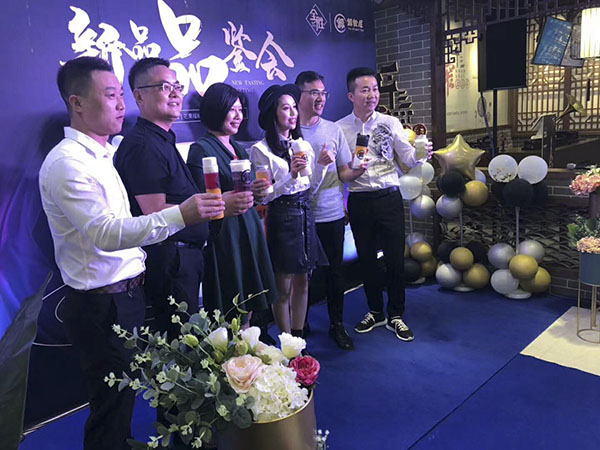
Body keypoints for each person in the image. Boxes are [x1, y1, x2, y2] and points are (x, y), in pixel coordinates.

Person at [39, 56, 224, 450]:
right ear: (77, 102)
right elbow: (106, 233)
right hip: (99, 304)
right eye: (111, 95)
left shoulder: (105, 153)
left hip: (127, 295)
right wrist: (182, 214)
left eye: (120, 94)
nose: (121, 104)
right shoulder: (67, 164)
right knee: (112, 408)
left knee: (125, 399)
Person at [114, 58, 253, 338]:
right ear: (139, 96)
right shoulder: (143, 145)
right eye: (165, 87)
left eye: (178, 87)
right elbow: (154, 213)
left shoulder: (161, 138)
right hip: (169, 260)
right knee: (181, 344)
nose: (176, 94)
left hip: (184, 258)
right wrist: (218, 205)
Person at [336, 67, 426, 342]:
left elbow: (407, 158)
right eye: (365, 90)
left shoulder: (390, 122)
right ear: (351, 95)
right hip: (359, 199)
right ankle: (375, 311)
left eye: (374, 89)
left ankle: (396, 314)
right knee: (366, 260)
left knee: (395, 258)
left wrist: (421, 154)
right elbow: (340, 172)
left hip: (388, 198)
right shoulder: (340, 128)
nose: (372, 95)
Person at [186, 82, 277, 338]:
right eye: (231, 110)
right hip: (226, 236)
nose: (238, 116)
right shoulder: (200, 149)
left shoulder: (236, 148)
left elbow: (245, 193)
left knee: (249, 301)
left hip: (248, 229)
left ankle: (250, 349)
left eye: (240, 110)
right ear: (216, 110)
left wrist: (258, 191)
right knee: (232, 307)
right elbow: (202, 200)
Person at [249, 84, 328, 338]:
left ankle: (298, 336)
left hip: (304, 212)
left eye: (294, 107)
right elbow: (265, 195)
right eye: (286, 108)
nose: (293, 113)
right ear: (273, 113)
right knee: (282, 286)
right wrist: (290, 175)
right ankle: (286, 342)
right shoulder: (261, 150)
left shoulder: (302, 144)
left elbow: (310, 186)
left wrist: (322, 166)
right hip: (282, 216)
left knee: (303, 280)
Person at [295, 70, 365, 350]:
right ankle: (299, 325)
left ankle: (337, 325)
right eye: (314, 93)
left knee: (335, 273)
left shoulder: (333, 129)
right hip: (299, 215)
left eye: (323, 93)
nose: (320, 98)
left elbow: (344, 172)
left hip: (332, 213)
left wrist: (358, 171)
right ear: (299, 95)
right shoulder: (290, 131)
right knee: (301, 275)